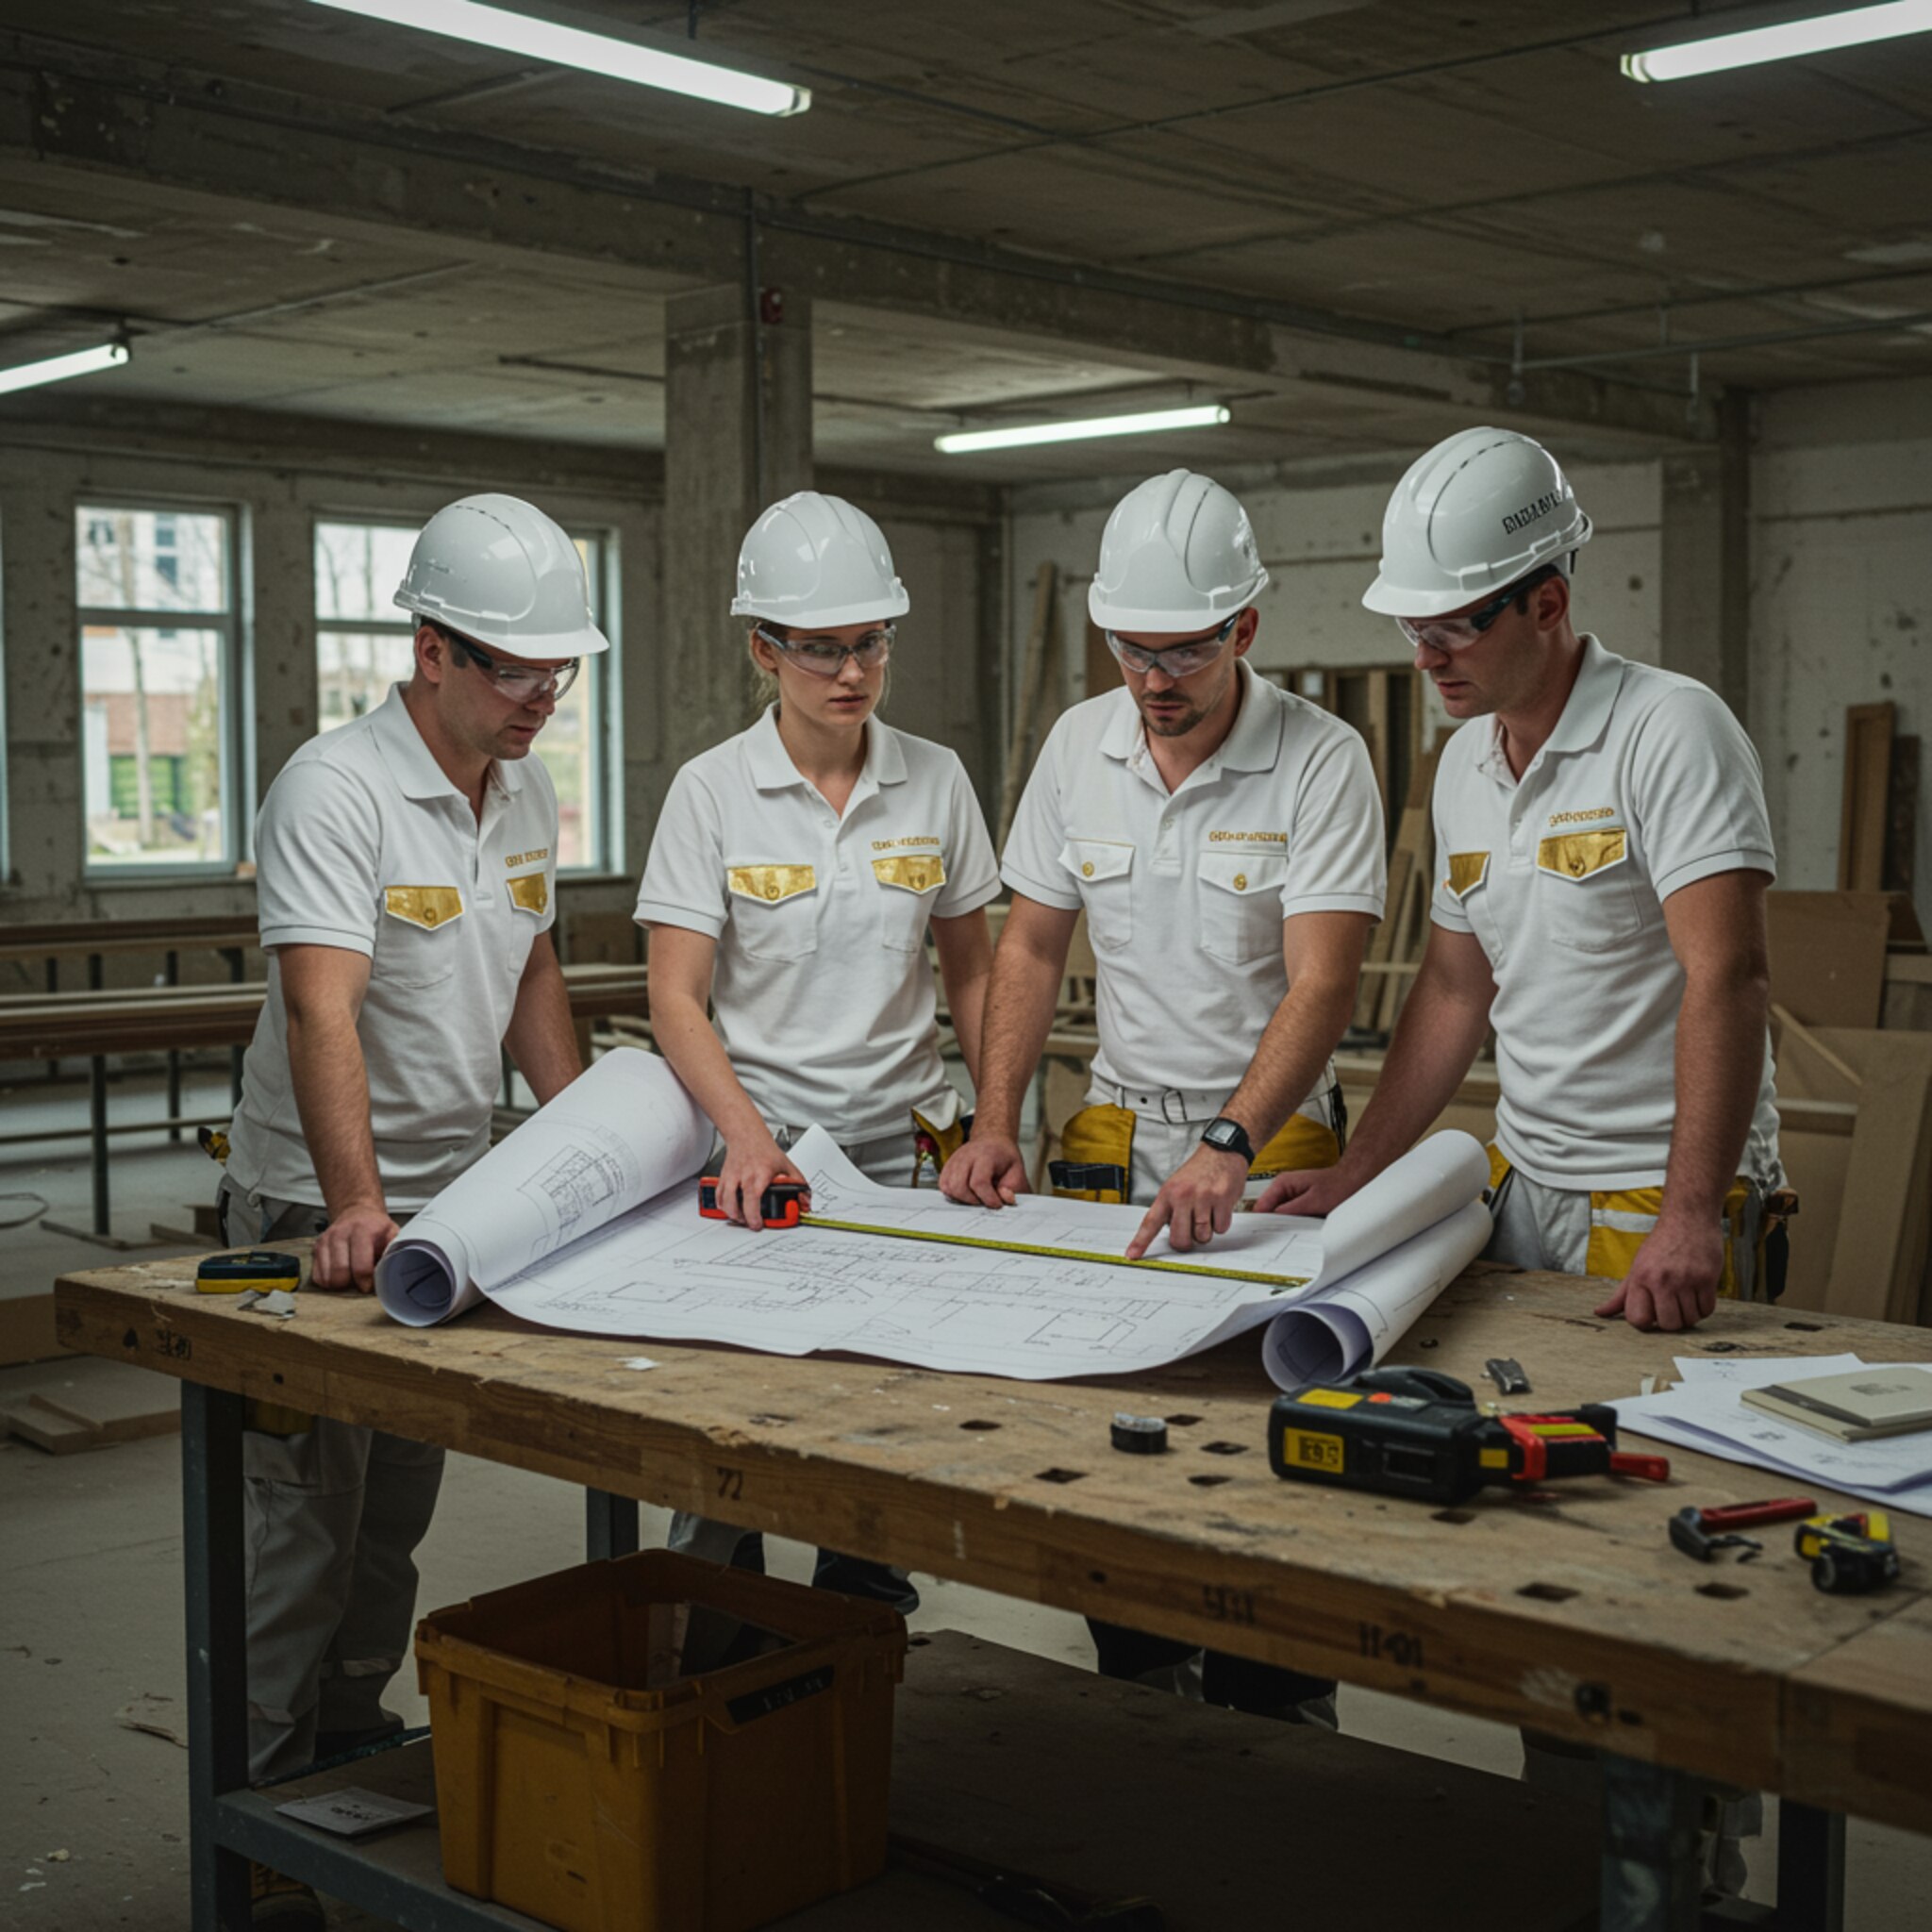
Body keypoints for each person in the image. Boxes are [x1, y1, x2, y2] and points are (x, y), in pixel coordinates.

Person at [1257, 426, 1784, 1887]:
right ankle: (1583, 1853)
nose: (1429, 651)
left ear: (1548, 600)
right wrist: (1361, 1172)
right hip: (1530, 1195)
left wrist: (1690, 1213)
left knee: (1659, 1559)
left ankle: (1687, 1870)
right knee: (1539, 1540)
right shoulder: (1468, 760)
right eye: (1413, 626)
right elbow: (1451, 994)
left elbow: (1724, 980)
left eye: (1456, 623)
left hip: (1653, 1202)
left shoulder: (1675, 732)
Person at [943, 468, 1386, 1720]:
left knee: (1272, 1437)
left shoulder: (1321, 758)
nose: (1156, 680)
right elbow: (1029, 949)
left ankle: (1276, 1703)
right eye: (1133, 651)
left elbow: (1324, 979)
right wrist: (992, 1123)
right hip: (1118, 1129)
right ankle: (1140, 1681)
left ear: (1245, 629)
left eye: (1184, 651)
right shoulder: (1078, 750)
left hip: (1273, 1138)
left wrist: (1233, 1140)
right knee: (1111, 1429)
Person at [219, 493, 604, 1930]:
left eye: (559, 674)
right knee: (302, 1535)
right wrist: (354, 1204)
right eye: (516, 672)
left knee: (391, 1530)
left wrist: (585, 1152)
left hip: (452, 1204)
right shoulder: (336, 789)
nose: (542, 700)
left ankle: (339, 1766)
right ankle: (254, 1834)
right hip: (319, 1201)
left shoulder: (527, 789)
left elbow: (534, 981)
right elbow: (324, 1010)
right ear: (432, 650)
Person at [636, 488, 999, 1612]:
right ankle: (718, 1650)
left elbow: (978, 972)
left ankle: (861, 1650)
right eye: (822, 649)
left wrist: (995, 1124)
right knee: (732, 1435)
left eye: (871, 644)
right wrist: (744, 1139)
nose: (851, 672)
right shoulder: (709, 791)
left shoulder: (933, 776)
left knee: (875, 1427)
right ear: (764, 648)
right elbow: (675, 998)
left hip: (904, 1152)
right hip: (766, 1156)